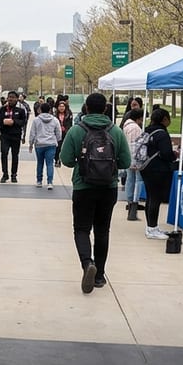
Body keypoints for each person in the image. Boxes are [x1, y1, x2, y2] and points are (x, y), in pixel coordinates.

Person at [59, 93, 132, 294]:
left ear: (86, 108)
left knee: (81, 229)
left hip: (84, 188)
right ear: (105, 109)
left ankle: (86, 264)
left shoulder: (76, 130)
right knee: (102, 230)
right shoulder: (115, 131)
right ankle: (99, 275)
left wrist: (80, 163)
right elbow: (126, 162)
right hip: (108, 188)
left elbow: (65, 159)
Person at [139, 109, 177, 240]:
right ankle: (152, 228)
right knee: (155, 198)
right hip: (158, 170)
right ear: (164, 119)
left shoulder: (148, 130)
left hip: (146, 167)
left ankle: (151, 226)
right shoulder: (162, 134)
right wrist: (174, 156)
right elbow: (166, 153)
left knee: (150, 197)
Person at [28, 102, 62, 189]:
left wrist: (31, 143)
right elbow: (58, 133)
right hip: (51, 144)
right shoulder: (55, 120)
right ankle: (50, 182)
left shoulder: (36, 120)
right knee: (50, 163)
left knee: (40, 163)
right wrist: (57, 140)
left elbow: (32, 133)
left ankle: (39, 181)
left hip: (39, 144)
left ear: (40, 110)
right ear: (50, 110)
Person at [0, 91, 27, 183]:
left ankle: (14, 174)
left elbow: (23, 122)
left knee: (15, 155)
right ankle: (4, 174)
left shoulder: (20, 110)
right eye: (9, 97)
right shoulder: (3, 109)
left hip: (16, 136)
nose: (11, 99)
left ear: (17, 99)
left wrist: (14, 122)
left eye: (13, 97)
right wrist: (3, 122)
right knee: (4, 154)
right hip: (5, 135)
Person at [121, 108, 145, 219]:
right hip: (135, 158)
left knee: (130, 180)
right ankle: (134, 202)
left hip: (127, 157)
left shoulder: (126, 126)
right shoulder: (135, 128)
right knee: (138, 180)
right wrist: (136, 161)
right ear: (139, 118)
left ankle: (130, 201)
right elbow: (134, 145)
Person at [54, 98, 73, 167]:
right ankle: (57, 160)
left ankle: (61, 159)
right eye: (60, 106)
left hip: (65, 133)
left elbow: (70, 124)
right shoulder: (55, 115)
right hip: (57, 133)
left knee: (63, 147)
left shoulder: (69, 114)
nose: (61, 108)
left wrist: (66, 129)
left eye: (63, 106)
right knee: (57, 147)